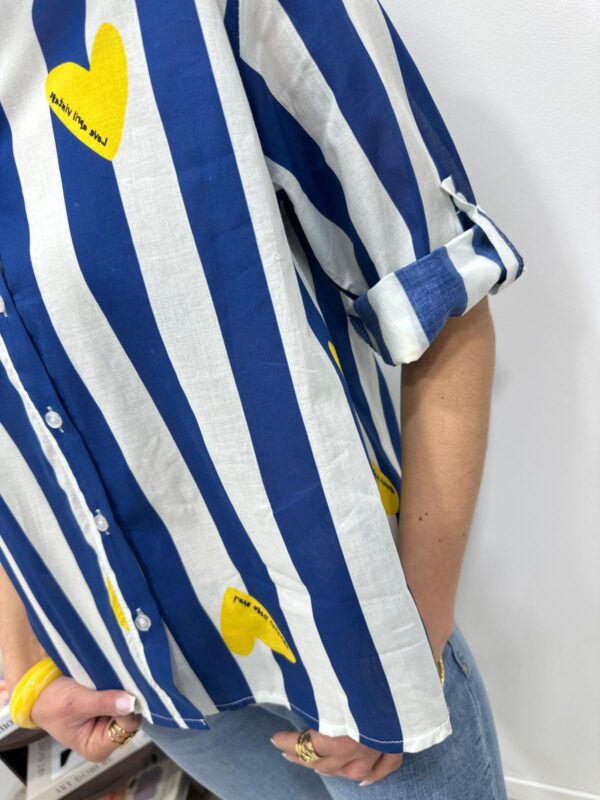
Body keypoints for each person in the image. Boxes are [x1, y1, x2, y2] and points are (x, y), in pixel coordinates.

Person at [0, 0, 524, 797]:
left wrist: (412, 638)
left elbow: (440, 290)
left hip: (347, 656)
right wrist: (21, 659)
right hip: (138, 678)